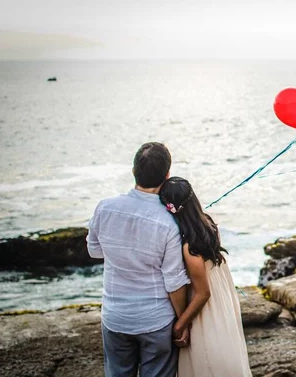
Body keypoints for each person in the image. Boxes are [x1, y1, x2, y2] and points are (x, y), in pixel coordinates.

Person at [87, 142, 190, 377]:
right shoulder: (168, 223)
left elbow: (94, 251)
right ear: (167, 176)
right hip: (156, 319)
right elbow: (174, 282)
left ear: (134, 171)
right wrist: (182, 322)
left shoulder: (104, 208)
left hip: (115, 316)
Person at [159, 176, 252, 377]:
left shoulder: (189, 247)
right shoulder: (208, 224)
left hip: (204, 312)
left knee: (206, 361)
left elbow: (202, 293)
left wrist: (180, 325)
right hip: (222, 301)